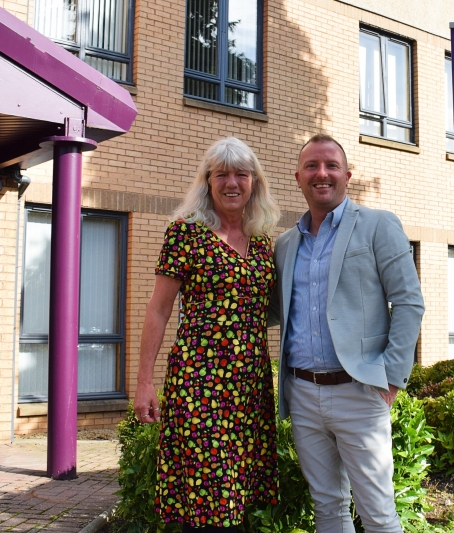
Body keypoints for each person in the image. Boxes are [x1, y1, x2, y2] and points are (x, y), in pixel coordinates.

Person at [271, 133, 424, 533]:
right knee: (328, 508)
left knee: (377, 513)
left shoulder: (377, 225)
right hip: (303, 393)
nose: (322, 173)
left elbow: (409, 303)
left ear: (347, 175)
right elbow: (272, 312)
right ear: (298, 177)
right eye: (312, 166)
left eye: (331, 166)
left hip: (360, 390)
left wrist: (391, 376)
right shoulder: (285, 244)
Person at [133, 137, 280, 532]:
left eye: (241, 174)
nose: (232, 183)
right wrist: (145, 382)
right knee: (206, 504)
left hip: (249, 387)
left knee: (237, 501)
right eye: (222, 174)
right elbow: (159, 309)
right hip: (200, 384)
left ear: (254, 182)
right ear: (208, 181)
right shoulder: (185, 233)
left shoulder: (264, 240)